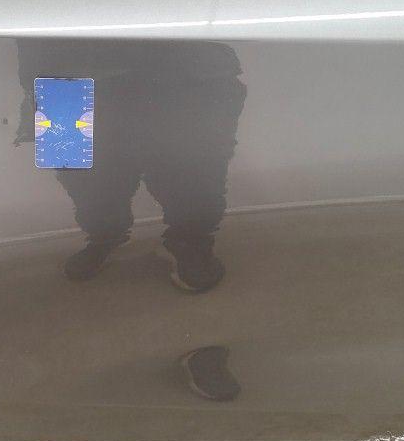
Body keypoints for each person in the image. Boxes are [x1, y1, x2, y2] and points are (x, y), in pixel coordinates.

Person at [15, 40, 246, 291]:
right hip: (59, 68)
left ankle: (190, 243)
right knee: (82, 181)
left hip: (185, 64)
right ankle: (104, 237)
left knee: (194, 172)